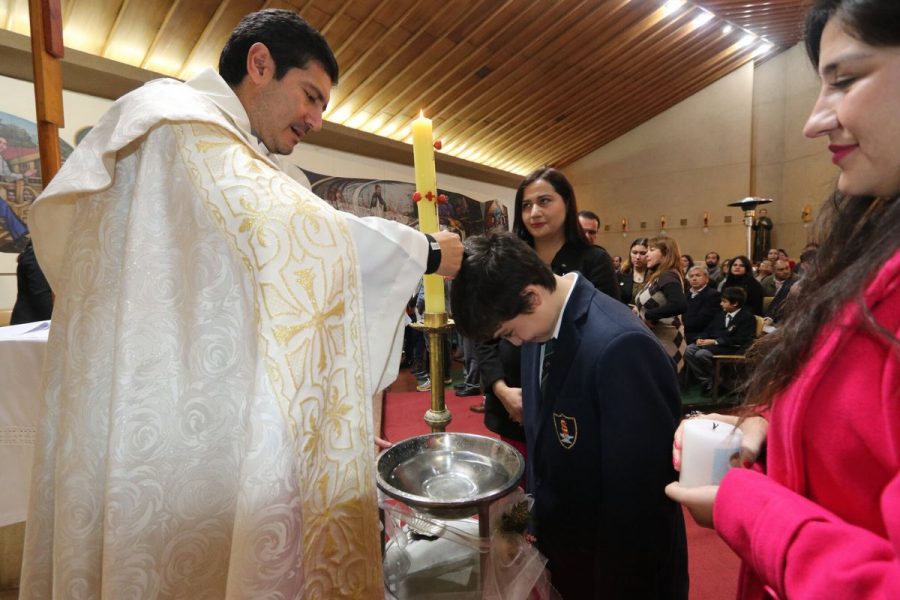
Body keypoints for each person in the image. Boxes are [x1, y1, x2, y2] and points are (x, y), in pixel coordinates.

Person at [19, 10, 463, 599]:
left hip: (201, 395)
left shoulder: (237, 157)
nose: (317, 119)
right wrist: (425, 251)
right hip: (165, 402)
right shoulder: (176, 122)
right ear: (259, 64)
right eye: (310, 95)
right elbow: (303, 233)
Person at [666, 1, 900, 598]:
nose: (814, 122)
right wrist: (765, 427)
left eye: (845, 81)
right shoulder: (874, 252)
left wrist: (743, 505)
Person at [452, 232, 688, 599]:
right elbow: (544, 456)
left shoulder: (620, 346)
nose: (513, 343)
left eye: (509, 332)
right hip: (568, 557)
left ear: (531, 295)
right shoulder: (540, 332)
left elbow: (641, 504)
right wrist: (515, 526)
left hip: (616, 572)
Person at [475, 168, 618, 453]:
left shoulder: (594, 260)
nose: (534, 213)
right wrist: (501, 389)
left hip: (572, 393)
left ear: (567, 202)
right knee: (520, 478)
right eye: (526, 205)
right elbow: (486, 333)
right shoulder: (508, 258)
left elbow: (605, 328)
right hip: (513, 394)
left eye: (544, 201)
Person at [683, 286, 757, 395]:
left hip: (733, 348)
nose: (721, 304)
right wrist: (700, 338)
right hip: (714, 345)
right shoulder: (720, 315)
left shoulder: (747, 318)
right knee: (689, 350)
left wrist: (715, 341)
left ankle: (721, 381)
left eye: (724, 301)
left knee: (701, 354)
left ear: (735, 303)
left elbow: (742, 339)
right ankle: (709, 381)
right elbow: (708, 330)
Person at [634, 235, 688, 372]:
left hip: (667, 341)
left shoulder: (667, 275)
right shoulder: (659, 275)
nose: (647, 254)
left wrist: (650, 315)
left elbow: (680, 304)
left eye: (651, 250)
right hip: (657, 338)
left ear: (665, 254)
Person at [9, 239, 53, 324]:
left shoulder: (38, 253)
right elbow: (42, 298)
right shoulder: (37, 255)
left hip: (34, 322)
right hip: (31, 325)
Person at [684, 265, 721, 344]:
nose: (694, 278)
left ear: (707, 279)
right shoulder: (686, 294)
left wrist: (682, 326)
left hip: (701, 335)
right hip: (686, 332)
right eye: (691, 276)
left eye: (698, 275)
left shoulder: (713, 295)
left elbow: (704, 319)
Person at [617, 237, 649, 305]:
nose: (637, 257)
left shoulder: (655, 275)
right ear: (630, 253)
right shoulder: (621, 273)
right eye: (634, 252)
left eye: (642, 253)